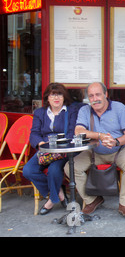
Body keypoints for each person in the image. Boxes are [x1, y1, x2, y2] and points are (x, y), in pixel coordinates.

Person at [64, 82, 125, 217]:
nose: (95, 98)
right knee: (70, 167)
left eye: (98, 94)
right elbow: (78, 131)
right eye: (91, 96)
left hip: (118, 150)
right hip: (93, 151)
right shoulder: (85, 110)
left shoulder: (119, 108)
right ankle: (92, 200)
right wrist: (100, 136)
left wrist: (116, 142)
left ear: (105, 95)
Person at [23, 83, 78, 215]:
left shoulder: (71, 111)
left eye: (59, 94)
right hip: (45, 151)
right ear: (47, 98)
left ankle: (51, 200)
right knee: (28, 171)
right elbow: (34, 133)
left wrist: (59, 146)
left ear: (64, 97)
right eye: (52, 95)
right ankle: (59, 192)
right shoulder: (40, 113)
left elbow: (71, 133)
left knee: (54, 170)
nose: (56, 98)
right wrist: (41, 144)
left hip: (63, 151)